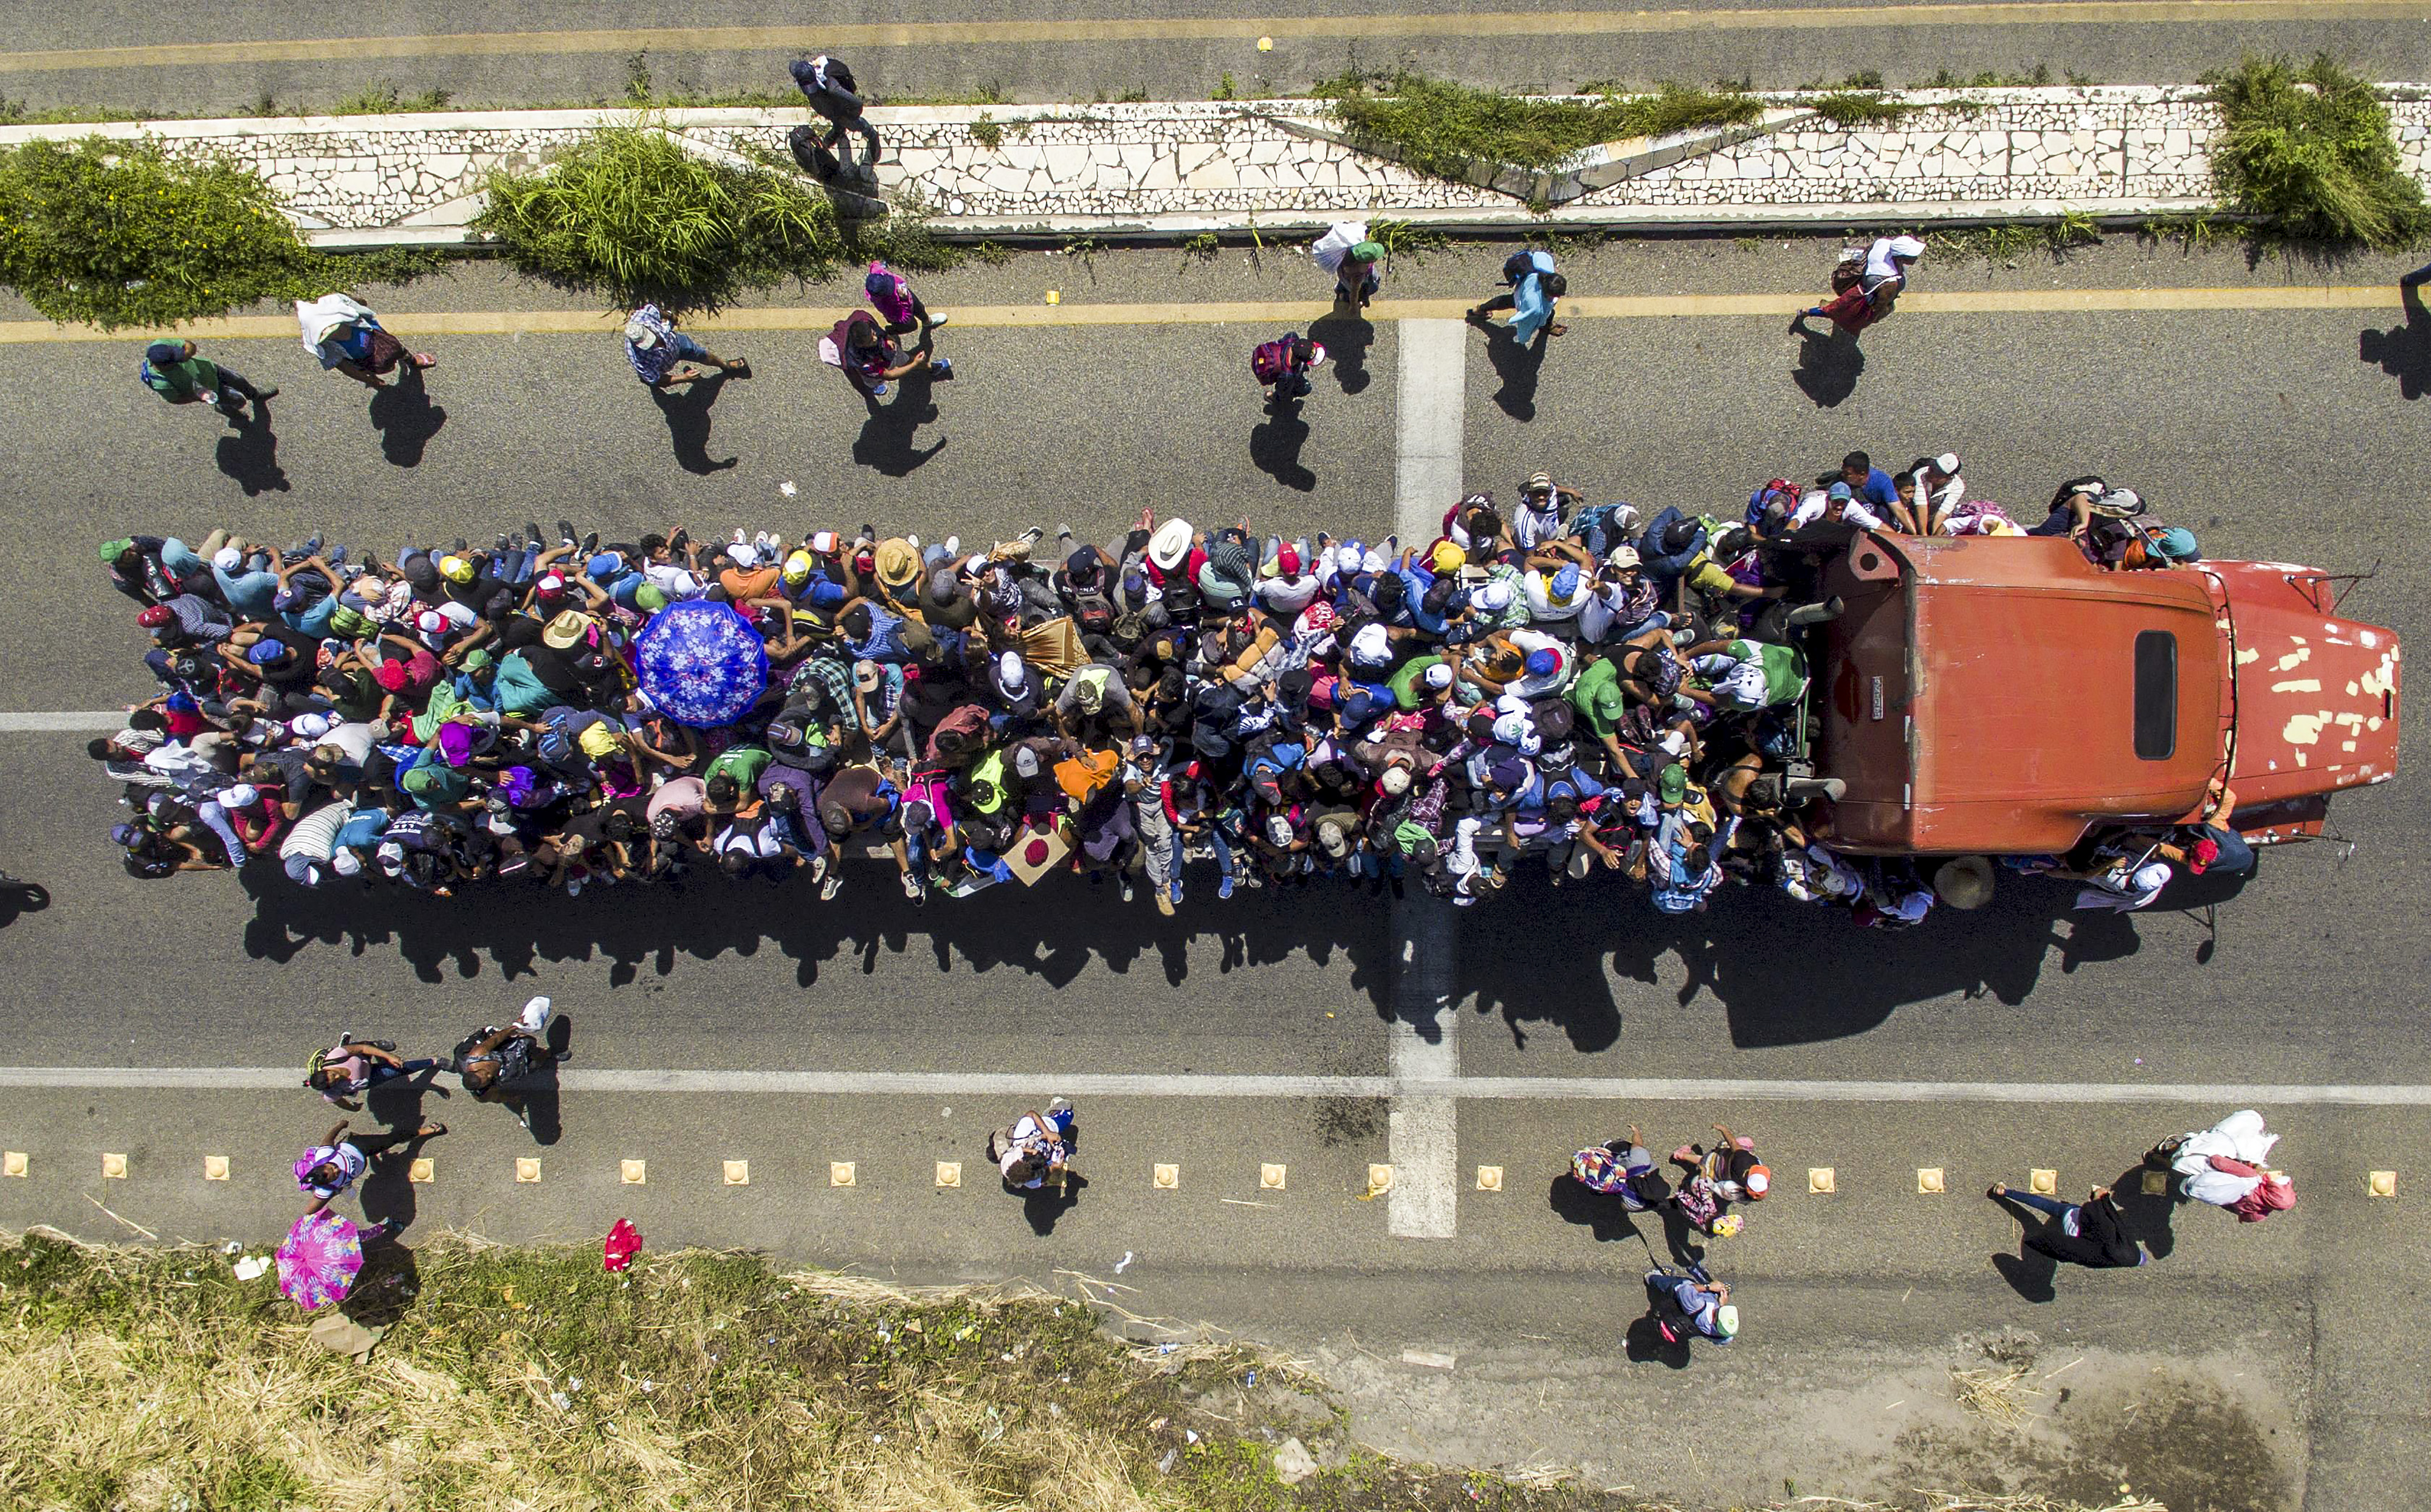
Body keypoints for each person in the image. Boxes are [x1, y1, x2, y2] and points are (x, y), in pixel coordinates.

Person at [2151, 1110, 2295, 1222]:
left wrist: (2250, 1166)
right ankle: (2149, 1185)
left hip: (2195, 1167)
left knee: (2195, 1152)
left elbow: (2218, 1162)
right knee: (2171, 1183)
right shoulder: (2259, 1213)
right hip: (2200, 1185)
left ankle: (2157, 1155)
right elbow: (2238, 1213)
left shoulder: (2252, 1178)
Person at [295, 1118, 446, 1218]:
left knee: (391, 1139)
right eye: (335, 1175)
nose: (337, 1170)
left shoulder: (325, 1154)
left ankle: (424, 1131)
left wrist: (340, 1125)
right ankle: (382, 1155)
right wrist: (333, 1195)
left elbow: (329, 1138)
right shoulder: (326, 1189)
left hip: (357, 1145)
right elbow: (309, 1211)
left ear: (324, 1165)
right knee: (380, 1156)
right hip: (362, 1163)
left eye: (332, 1168)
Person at [1989, 1180, 2146, 1268]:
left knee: (2046, 1205)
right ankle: (2003, 1193)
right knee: (2034, 1221)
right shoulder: (2105, 1260)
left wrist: (2100, 1197)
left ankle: (2005, 1192)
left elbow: (2106, 1216)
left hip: (2072, 1215)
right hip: (2070, 1234)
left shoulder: (2115, 1236)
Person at [296, 293, 435, 390]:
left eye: (337, 327)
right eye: (328, 335)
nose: (338, 334)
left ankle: (411, 360)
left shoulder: (345, 309)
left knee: (398, 348)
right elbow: (346, 368)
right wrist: (369, 380)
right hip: (364, 360)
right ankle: (399, 364)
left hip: (379, 338)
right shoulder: (327, 348)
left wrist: (359, 303)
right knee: (376, 367)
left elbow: (358, 303)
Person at [1795, 234, 1922, 337]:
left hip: (1857, 283)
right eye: (1913, 256)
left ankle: (1809, 312)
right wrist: (1873, 318)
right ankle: (1807, 312)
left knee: (1838, 307)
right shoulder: (1891, 283)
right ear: (1900, 258)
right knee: (1837, 312)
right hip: (1861, 299)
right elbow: (1878, 306)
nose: (1916, 258)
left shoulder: (1883, 243)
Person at [824, 308, 948, 404]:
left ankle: (932, 368)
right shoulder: (865, 365)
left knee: (907, 359)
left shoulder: (864, 320)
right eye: (871, 340)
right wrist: (914, 364)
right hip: (878, 368)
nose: (876, 338)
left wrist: (887, 339)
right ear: (861, 345)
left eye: (873, 334)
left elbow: (878, 330)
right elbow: (890, 375)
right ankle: (875, 387)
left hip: (887, 353)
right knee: (874, 381)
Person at [140, 338, 274, 422]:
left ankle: (256, 396)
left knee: (239, 380)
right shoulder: (161, 383)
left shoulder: (158, 345)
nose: (182, 356)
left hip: (210, 369)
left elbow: (190, 346)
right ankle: (225, 408)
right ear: (167, 365)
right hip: (208, 389)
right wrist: (198, 397)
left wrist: (187, 354)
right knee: (238, 401)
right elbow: (175, 399)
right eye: (177, 358)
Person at [624, 304, 749, 390]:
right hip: (662, 364)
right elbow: (660, 380)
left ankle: (725, 365)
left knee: (701, 354)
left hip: (676, 343)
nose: (656, 345)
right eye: (649, 346)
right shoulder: (638, 359)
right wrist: (684, 378)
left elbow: (657, 311)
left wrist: (671, 317)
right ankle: (646, 378)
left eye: (652, 339)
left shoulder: (642, 317)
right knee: (652, 379)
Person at [791, 55, 880, 174]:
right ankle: (838, 131)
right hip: (833, 112)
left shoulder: (833, 88)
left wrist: (851, 116)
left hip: (843, 113)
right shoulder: (800, 72)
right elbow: (792, 65)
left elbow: (857, 104)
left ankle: (873, 137)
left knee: (861, 126)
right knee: (837, 125)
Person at [304, 1033, 442, 1110]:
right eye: (335, 1080)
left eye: (332, 1074)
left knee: (366, 1045)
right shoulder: (331, 1093)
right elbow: (339, 1102)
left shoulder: (335, 1057)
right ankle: (434, 1061)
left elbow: (363, 1049)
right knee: (400, 1069)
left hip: (362, 1058)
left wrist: (389, 1056)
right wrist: (352, 1108)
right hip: (369, 1078)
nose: (338, 1076)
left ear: (326, 1071)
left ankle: (376, 1044)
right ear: (330, 1087)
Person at [1470, 249, 1566, 343]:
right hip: (1522, 299)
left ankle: (1480, 310)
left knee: (1504, 302)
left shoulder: (1545, 272)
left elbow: (1539, 256)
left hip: (1522, 287)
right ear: (1549, 294)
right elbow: (1526, 325)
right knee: (1550, 313)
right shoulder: (1537, 309)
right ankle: (1547, 327)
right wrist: (1524, 338)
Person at [990, 1098, 1075, 1189]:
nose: (1046, 1165)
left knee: (1068, 1115)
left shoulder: (1022, 1135)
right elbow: (1043, 1178)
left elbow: (1031, 1114)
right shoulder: (1031, 1181)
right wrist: (1053, 1169)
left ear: (1031, 1151)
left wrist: (1047, 1133)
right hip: (1028, 1154)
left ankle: (1051, 1113)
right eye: (1045, 1165)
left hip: (1042, 1129)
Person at [1643, 1268, 1737, 1345]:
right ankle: (1696, 1271)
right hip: (1696, 1311)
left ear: (1715, 1320)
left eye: (1722, 1311)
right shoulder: (1724, 1337)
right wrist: (1722, 1304)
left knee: (1672, 1284)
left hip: (1686, 1295)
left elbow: (1685, 1289)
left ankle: (1651, 1277)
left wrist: (1709, 1287)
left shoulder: (1697, 1306)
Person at [866, 259, 947, 338]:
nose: (894, 284)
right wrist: (905, 300)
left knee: (920, 308)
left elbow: (875, 265)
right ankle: (890, 331)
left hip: (907, 295)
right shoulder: (885, 306)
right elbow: (904, 318)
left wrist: (879, 264)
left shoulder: (876, 272)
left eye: (889, 280)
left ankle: (927, 321)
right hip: (901, 309)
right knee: (912, 326)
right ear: (883, 295)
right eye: (890, 289)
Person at [1251, 331, 1322, 406]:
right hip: (1282, 376)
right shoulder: (1287, 376)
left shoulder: (1292, 337)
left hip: (1262, 359)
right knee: (1305, 389)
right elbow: (1282, 390)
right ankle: (1274, 399)